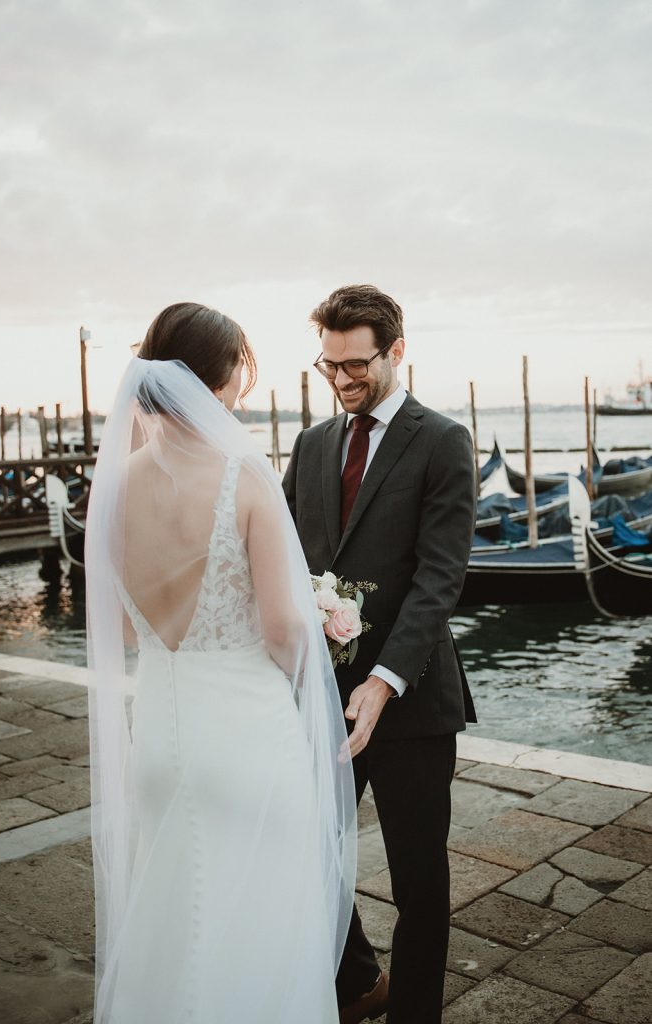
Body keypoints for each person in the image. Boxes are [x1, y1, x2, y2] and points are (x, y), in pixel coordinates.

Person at [85, 303, 356, 1024]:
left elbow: (122, 627)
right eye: (241, 368)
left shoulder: (113, 486)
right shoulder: (243, 474)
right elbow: (282, 627)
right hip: (246, 739)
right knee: (262, 928)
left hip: (160, 739)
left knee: (172, 921)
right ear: (221, 375)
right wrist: (320, 635)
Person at [282, 284, 477, 1024]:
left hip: (412, 700)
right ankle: (359, 981)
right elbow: (286, 558)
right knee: (303, 851)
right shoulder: (310, 444)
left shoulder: (442, 440)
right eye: (328, 365)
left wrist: (385, 679)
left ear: (396, 351)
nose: (340, 379)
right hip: (323, 699)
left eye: (355, 365)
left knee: (418, 879)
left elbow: (439, 577)